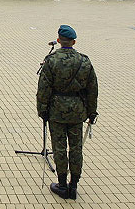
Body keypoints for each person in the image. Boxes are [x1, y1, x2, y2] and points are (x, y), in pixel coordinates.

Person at [37, 25, 98, 200]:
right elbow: (92, 89)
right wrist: (92, 112)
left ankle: (62, 184)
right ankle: (74, 185)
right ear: (74, 42)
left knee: (59, 147)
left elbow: (43, 89)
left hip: (57, 110)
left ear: (58, 41)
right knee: (76, 148)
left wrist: (42, 110)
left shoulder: (52, 60)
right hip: (78, 110)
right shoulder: (84, 61)